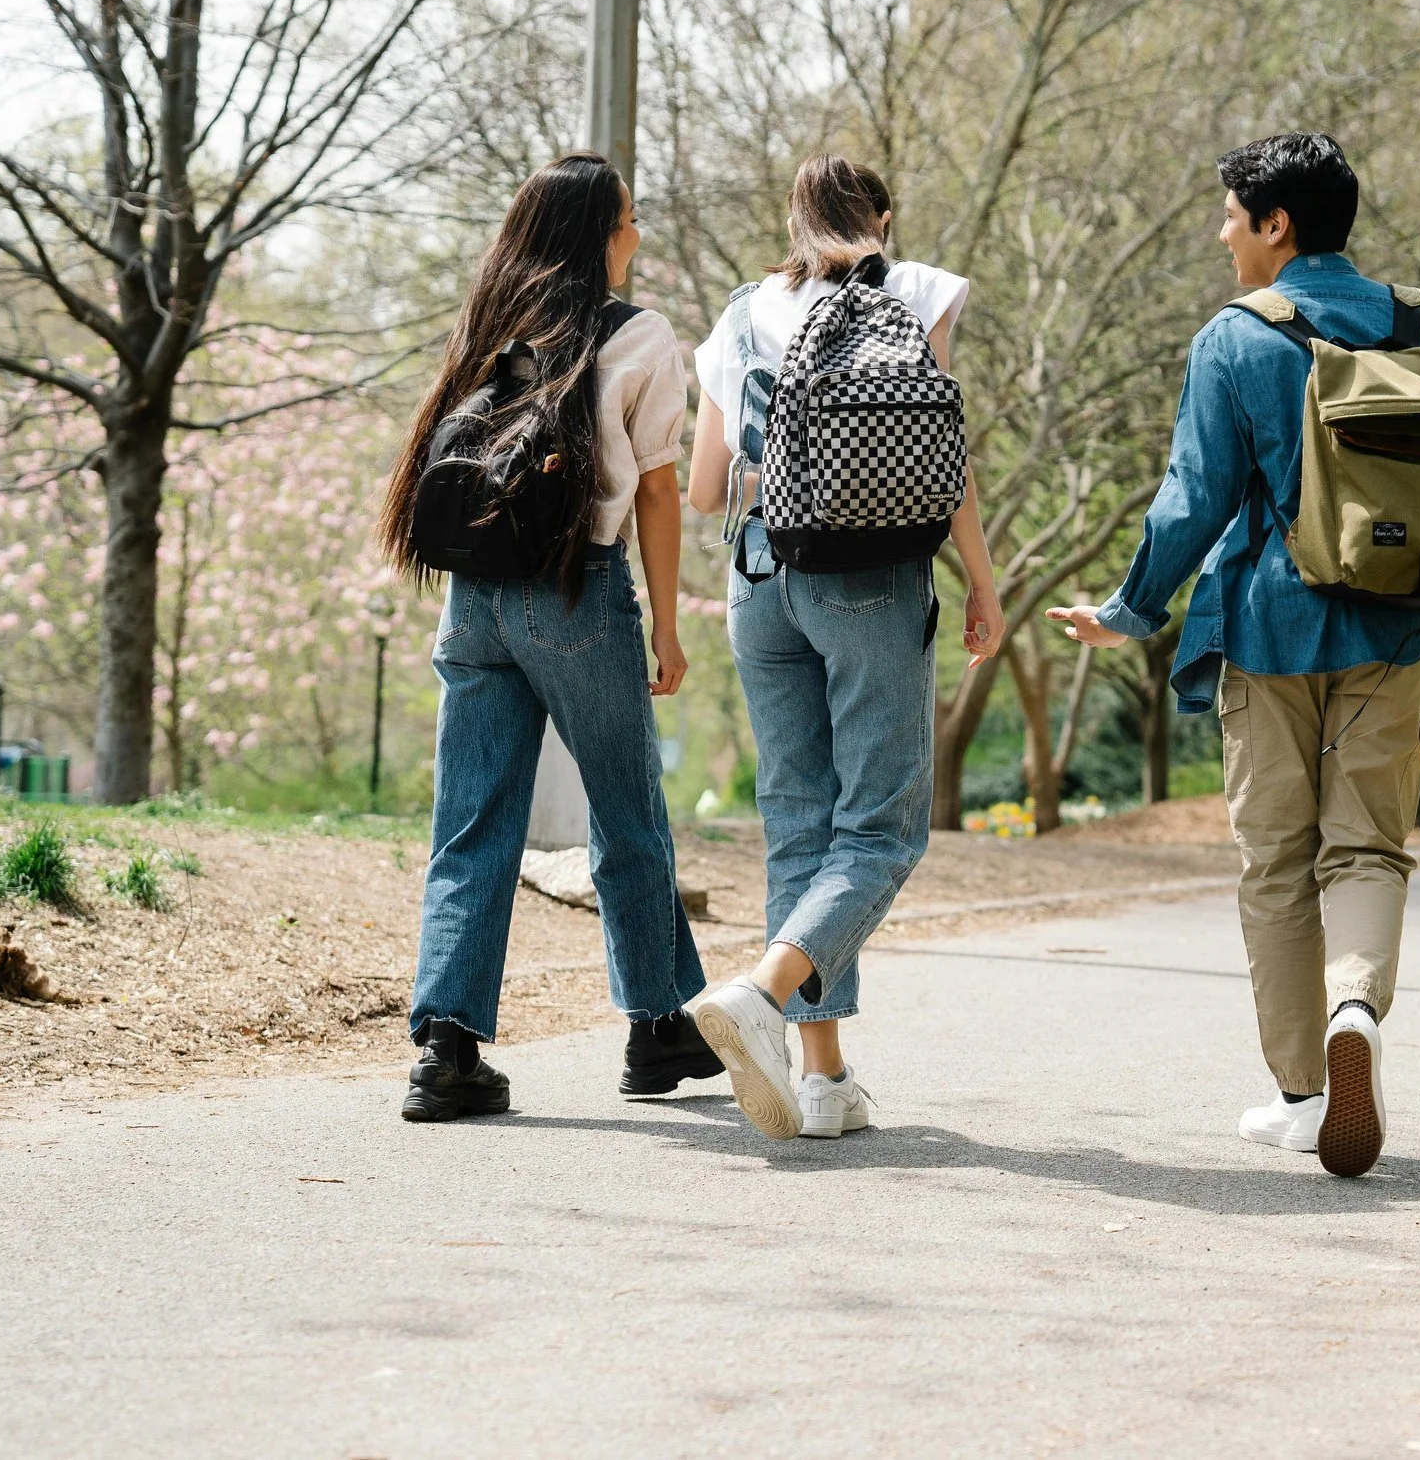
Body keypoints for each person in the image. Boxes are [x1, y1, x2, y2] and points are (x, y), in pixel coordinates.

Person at [1048, 133, 1420, 1178]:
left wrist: (1130, 608)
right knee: (1367, 848)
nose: (1221, 231)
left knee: (1276, 861)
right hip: (1403, 625)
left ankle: (1301, 1093)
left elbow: (1191, 498)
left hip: (1272, 625)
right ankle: (1355, 1005)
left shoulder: (1234, 340)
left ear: (1275, 224)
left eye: (1230, 213)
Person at [379, 151, 720, 1121]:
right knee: (626, 810)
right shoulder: (640, 336)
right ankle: (656, 1027)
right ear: (593, 235)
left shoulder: (489, 323)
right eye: (627, 220)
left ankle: (447, 1051)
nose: (637, 235)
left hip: (473, 601)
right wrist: (665, 624)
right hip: (575, 592)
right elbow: (658, 487)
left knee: (471, 826)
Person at [684, 155, 1006, 1140]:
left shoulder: (738, 316)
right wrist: (982, 585)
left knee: (800, 822)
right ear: (884, 218)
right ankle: (765, 994)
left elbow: (703, 490)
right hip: (867, 579)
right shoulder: (916, 292)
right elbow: (940, 459)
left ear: (792, 223)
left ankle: (823, 1080)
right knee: (880, 830)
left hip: (756, 577)